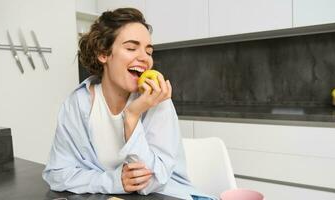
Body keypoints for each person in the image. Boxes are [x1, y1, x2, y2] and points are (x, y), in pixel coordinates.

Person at [42, 8, 213, 200]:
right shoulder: (78, 103)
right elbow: (57, 174)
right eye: (131, 48)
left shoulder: (157, 101)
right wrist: (113, 181)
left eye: (149, 51)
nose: (145, 58)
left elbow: (151, 182)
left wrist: (132, 116)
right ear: (103, 53)